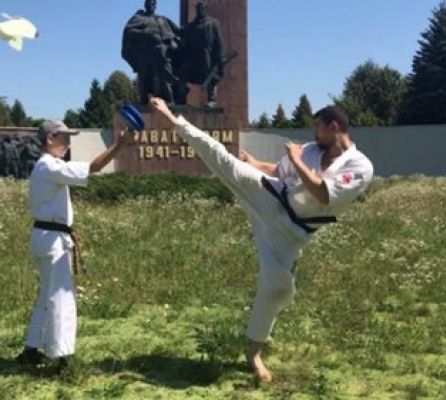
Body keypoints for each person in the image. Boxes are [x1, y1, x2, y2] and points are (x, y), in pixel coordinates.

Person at [149, 96, 374, 383]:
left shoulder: (359, 166)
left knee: (277, 289)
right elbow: (279, 172)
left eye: (318, 127)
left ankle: (253, 351)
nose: (314, 134)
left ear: (334, 127)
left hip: (293, 232)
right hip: (273, 197)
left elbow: (323, 194)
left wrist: (295, 159)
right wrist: (256, 163)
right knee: (224, 160)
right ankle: (173, 119)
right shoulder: (309, 150)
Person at [16, 119, 130, 371]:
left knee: (46, 295)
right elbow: (94, 167)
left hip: (46, 236)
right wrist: (119, 145)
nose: (68, 143)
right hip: (52, 240)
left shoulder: (45, 166)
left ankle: (31, 349)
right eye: (64, 138)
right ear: (50, 139)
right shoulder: (49, 165)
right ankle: (63, 360)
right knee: (62, 297)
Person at [122, 0, 180, 104]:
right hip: (146, 53)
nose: (151, 5)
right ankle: (143, 101)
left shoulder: (162, 19)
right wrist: (143, 33)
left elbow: (177, 32)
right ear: (145, 5)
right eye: (149, 3)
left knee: (166, 78)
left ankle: (170, 102)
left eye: (153, 3)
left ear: (155, 5)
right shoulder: (139, 18)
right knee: (144, 78)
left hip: (162, 53)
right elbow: (128, 31)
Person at [176, 1, 224, 106]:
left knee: (210, 77)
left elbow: (218, 42)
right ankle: (181, 98)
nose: (200, 10)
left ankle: (211, 99)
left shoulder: (212, 23)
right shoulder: (191, 26)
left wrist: (219, 57)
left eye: (202, 8)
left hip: (206, 56)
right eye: (198, 8)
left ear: (206, 9)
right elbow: (182, 36)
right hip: (192, 57)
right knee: (183, 75)